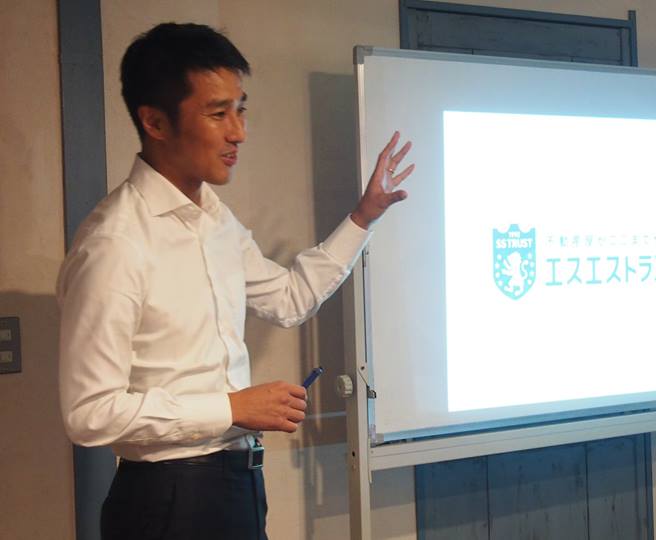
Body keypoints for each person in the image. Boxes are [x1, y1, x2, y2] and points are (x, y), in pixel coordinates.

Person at [57, 22, 413, 540]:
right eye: (217, 113)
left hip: (236, 481)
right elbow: (89, 413)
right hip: (166, 498)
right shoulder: (115, 241)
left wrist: (364, 215)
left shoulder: (214, 218)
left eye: (240, 110)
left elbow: (290, 299)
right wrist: (233, 407)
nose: (238, 132)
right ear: (155, 122)